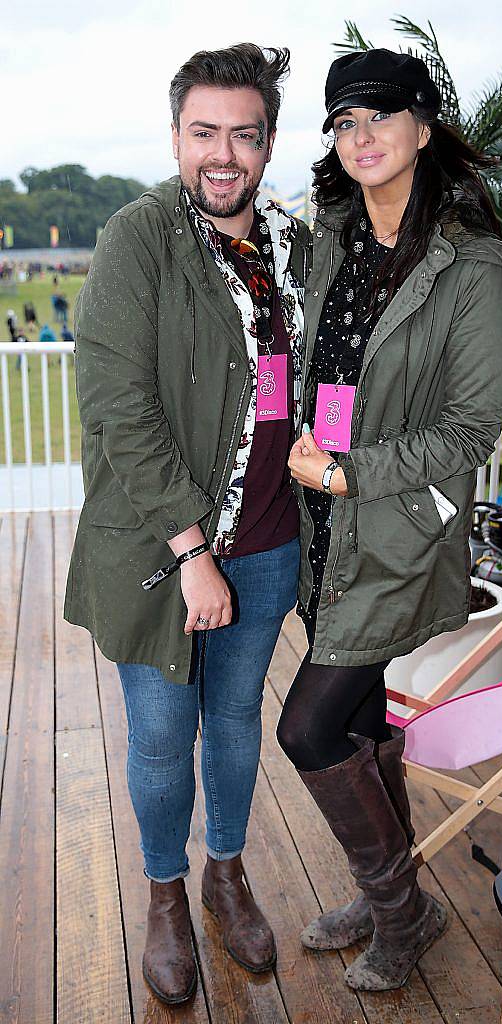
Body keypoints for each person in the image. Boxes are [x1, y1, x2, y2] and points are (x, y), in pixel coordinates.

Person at [277, 48, 502, 994]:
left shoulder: (474, 268)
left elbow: (470, 429)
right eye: (345, 122)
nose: (362, 136)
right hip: (324, 514)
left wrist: (352, 472)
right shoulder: (336, 238)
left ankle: (403, 909)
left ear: (424, 129)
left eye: (382, 116)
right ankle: (389, 886)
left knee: (307, 728)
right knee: (366, 708)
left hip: (393, 525)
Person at [64, 43, 310, 1006]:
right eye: (203, 132)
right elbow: (119, 403)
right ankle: (167, 893)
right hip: (164, 557)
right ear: (176, 137)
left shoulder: (289, 247)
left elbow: (324, 373)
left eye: (243, 135)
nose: (223, 154)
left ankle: (227, 870)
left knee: (237, 722)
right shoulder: (140, 238)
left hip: (271, 544)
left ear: (266, 143)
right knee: (165, 736)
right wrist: (192, 548)